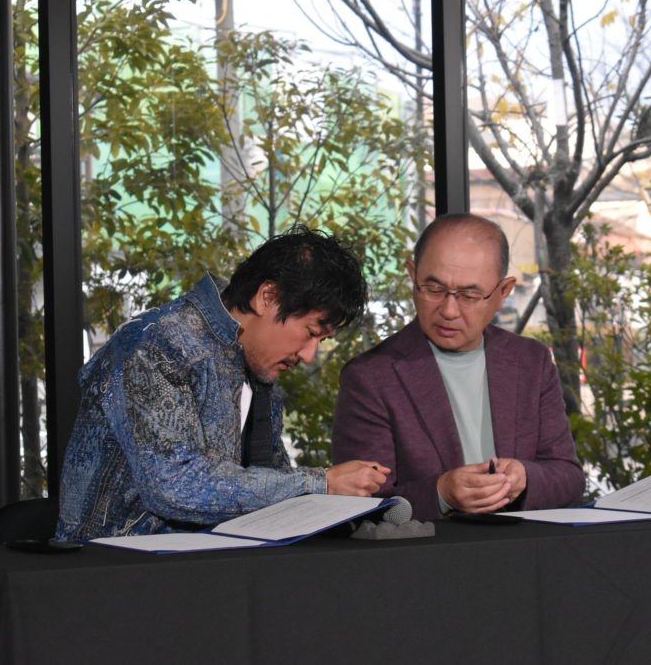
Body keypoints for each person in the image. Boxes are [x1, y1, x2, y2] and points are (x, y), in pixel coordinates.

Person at [56, 225, 389, 540]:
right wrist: (321, 483)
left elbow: (268, 481)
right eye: (311, 333)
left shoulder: (256, 364)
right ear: (268, 297)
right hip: (110, 567)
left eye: (322, 340)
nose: (309, 355)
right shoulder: (156, 344)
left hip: (216, 563)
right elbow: (176, 487)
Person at [332, 214, 583, 520]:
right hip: (430, 548)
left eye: (469, 295)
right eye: (434, 289)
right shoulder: (371, 377)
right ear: (412, 275)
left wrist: (525, 479)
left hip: (524, 544)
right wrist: (441, 494)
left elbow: (569, 478)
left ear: (503, 292)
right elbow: (363, 508)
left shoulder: (531, 362)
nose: (449, 311)